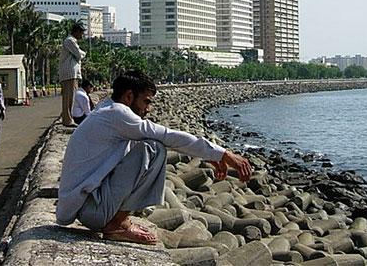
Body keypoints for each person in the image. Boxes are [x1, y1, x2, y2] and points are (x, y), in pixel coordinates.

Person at [56, 70, 252, 245]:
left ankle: (117, 219)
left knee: (146, 144)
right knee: (154, 148)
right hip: (91, 211)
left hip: (86, 207)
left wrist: (211, 155)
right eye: (146, 101)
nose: (148, 109)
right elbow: (167, 136)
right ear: (129, 96)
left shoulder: (106, 108)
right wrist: (224, 154)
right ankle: (117, 224)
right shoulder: (118, 113)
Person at [58, 23, 86, 127]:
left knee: (71, 97)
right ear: (76, 32)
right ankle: (67, 120)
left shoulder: (72, 41)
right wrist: (83, 53)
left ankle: (68, 118)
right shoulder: (69, 41)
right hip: (69, 72)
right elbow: (79, 54)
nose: (82, 36)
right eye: (81, 33)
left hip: (72, 73)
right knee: (68, 97)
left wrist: (81, 53)